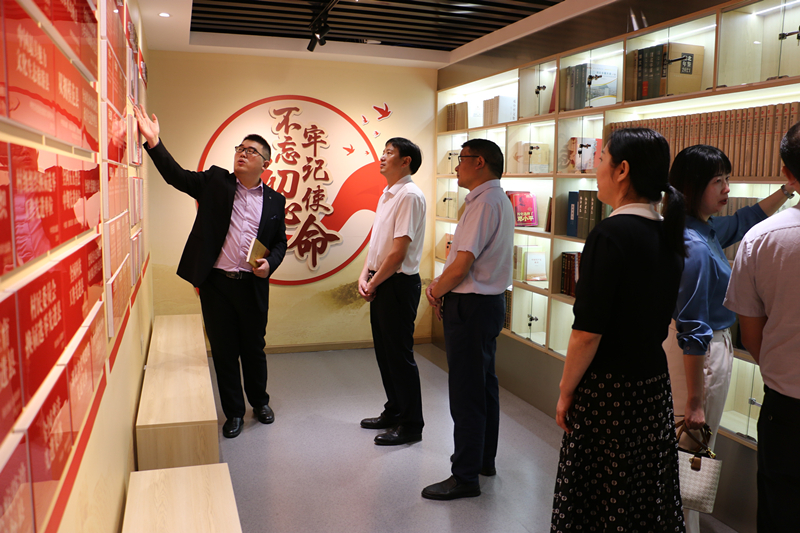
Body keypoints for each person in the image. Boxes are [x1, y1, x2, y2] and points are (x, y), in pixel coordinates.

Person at [551, 128, 687, 532]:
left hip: (608, 392)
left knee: (601, 493)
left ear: (622, 170)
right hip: (652, 385)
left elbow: (587, 333)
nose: (596, 167)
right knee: (641, 493)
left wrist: (565, 391)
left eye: (601, 158)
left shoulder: (609, 235)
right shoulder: (667, 232)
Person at [664, 145, 796, 533]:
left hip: (703, 349)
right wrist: (695, 400)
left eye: (727, 179)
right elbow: (692, 328)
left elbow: (744, 220)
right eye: (717, 181)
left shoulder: (700, 228)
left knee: (688, 451)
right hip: (699, 354)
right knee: (690, 451)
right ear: (692, 187)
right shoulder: (693, 243)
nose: (726, 188)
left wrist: (786, 190)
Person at [134, 104, 287, 439]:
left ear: (266, 163)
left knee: (254, 348)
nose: (242, 153)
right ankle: (234, 413)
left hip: (252, 286)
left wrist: (270, 264)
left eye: (251, 151)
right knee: (223, 350)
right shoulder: (216, 181)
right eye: (240, 148)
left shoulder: (275, 201)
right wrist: (153, 142)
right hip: (217, 285)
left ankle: (260, 402)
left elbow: (280, 242)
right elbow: (176, 176)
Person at [421, 138, 513, 501]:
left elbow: (461, 265)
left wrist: (435, 289)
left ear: (480, 162)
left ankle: (465, 477)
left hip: (472, 307)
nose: (457, 166)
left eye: (462, 159)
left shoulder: (484, 202)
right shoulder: (495, 199)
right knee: (484, 386)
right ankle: (483, 461)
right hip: (486, 306)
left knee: (467, 393)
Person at [724, 122, 800, 533]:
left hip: (786, 409)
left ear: (787, 173)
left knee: (780, 509)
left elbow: (752, 336)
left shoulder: (761, 238)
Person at [357, 137, 427, 446]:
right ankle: (395, 410)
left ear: (406, 161)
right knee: (385, 354)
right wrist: (365, 274)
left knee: (399, 356)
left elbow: (398, 253)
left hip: (397, 284)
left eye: (389, 153)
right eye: (383, 152)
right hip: (381, 280)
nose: (382, 157)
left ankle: (411, 425)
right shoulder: (388, 193)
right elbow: (377, 244)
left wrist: (373, 283)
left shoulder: (409, 195)